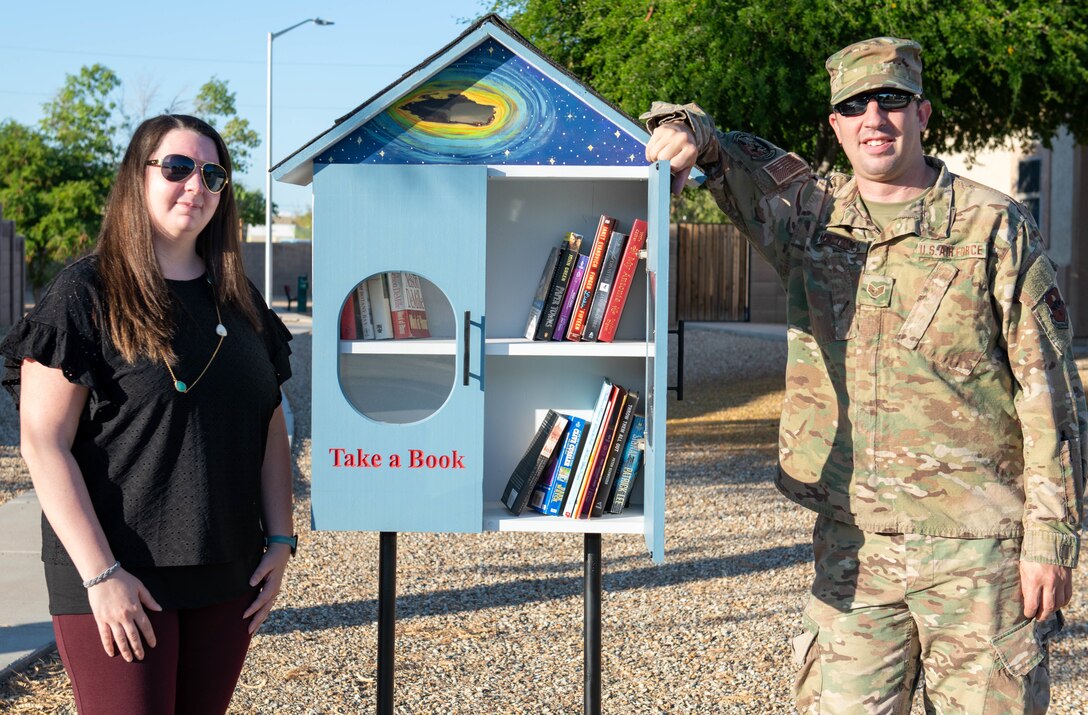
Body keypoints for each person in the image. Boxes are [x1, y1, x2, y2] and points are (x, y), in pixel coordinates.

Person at [644, 37, 1084, 713]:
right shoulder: (812, 220)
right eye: (854, 104)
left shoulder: (995, 227)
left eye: (893, 100)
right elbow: (725, 155)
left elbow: (1047, 391)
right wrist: (685, 130)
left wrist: (1051, 540)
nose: (874, 116)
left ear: (923, 113)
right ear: (836, 125)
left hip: (978, 556)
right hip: (854, 551)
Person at [1, 114, 296, 714]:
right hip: (119, 571)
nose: (197, 185)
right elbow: (42, 441)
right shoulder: (85, 293)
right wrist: (101, 575)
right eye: (178, 168)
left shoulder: (239, 299)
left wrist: (282, 538)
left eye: (214, 175)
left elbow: (269, 424)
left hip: (226, 573)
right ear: (137, 179)